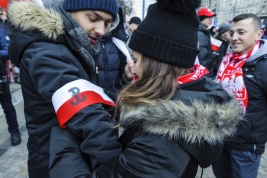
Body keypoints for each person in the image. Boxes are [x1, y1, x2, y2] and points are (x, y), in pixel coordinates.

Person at [49, 0, 243, 177]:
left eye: (135, 59)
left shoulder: (158, 146)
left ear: (156, 65)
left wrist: (63, 135)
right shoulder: (192, 93)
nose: (132, 66)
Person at [7, 0, 121, 177]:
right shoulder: (46, 52)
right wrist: (113, 171)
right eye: (93, 18)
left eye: (107, 23)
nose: (101, 30)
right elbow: (89, 116)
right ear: (69, 11)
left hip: (68, 155)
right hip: (52, 163)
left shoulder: (75, 45)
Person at [212, 13, 267, 178]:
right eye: (231, 33)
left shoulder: (264, 66)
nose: (234, 37)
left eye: (241, 32)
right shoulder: (227, 60)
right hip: (220, 138)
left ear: (259, 34)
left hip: (246, 146)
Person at [98, 7, 131, 101]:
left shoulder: (119, 44)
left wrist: (127, 77)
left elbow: (123, 78)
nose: (101, 28)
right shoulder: (86, 43)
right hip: (91, 103)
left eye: (107, 22)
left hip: (115, 101)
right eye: (93, 19)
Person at [0, 26, 21, 146]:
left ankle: (14, 131)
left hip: (0, 78)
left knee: (7, 107)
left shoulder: (0, 30)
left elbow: (7, 51)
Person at [197, 7, 217, 78]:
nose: (211, 20)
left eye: (211, 17)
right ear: (201, 18)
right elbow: (202, 58)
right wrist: (206, 76)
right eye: (208, 17)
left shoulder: (203, 31)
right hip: (205, 74)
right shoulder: (200, 33)